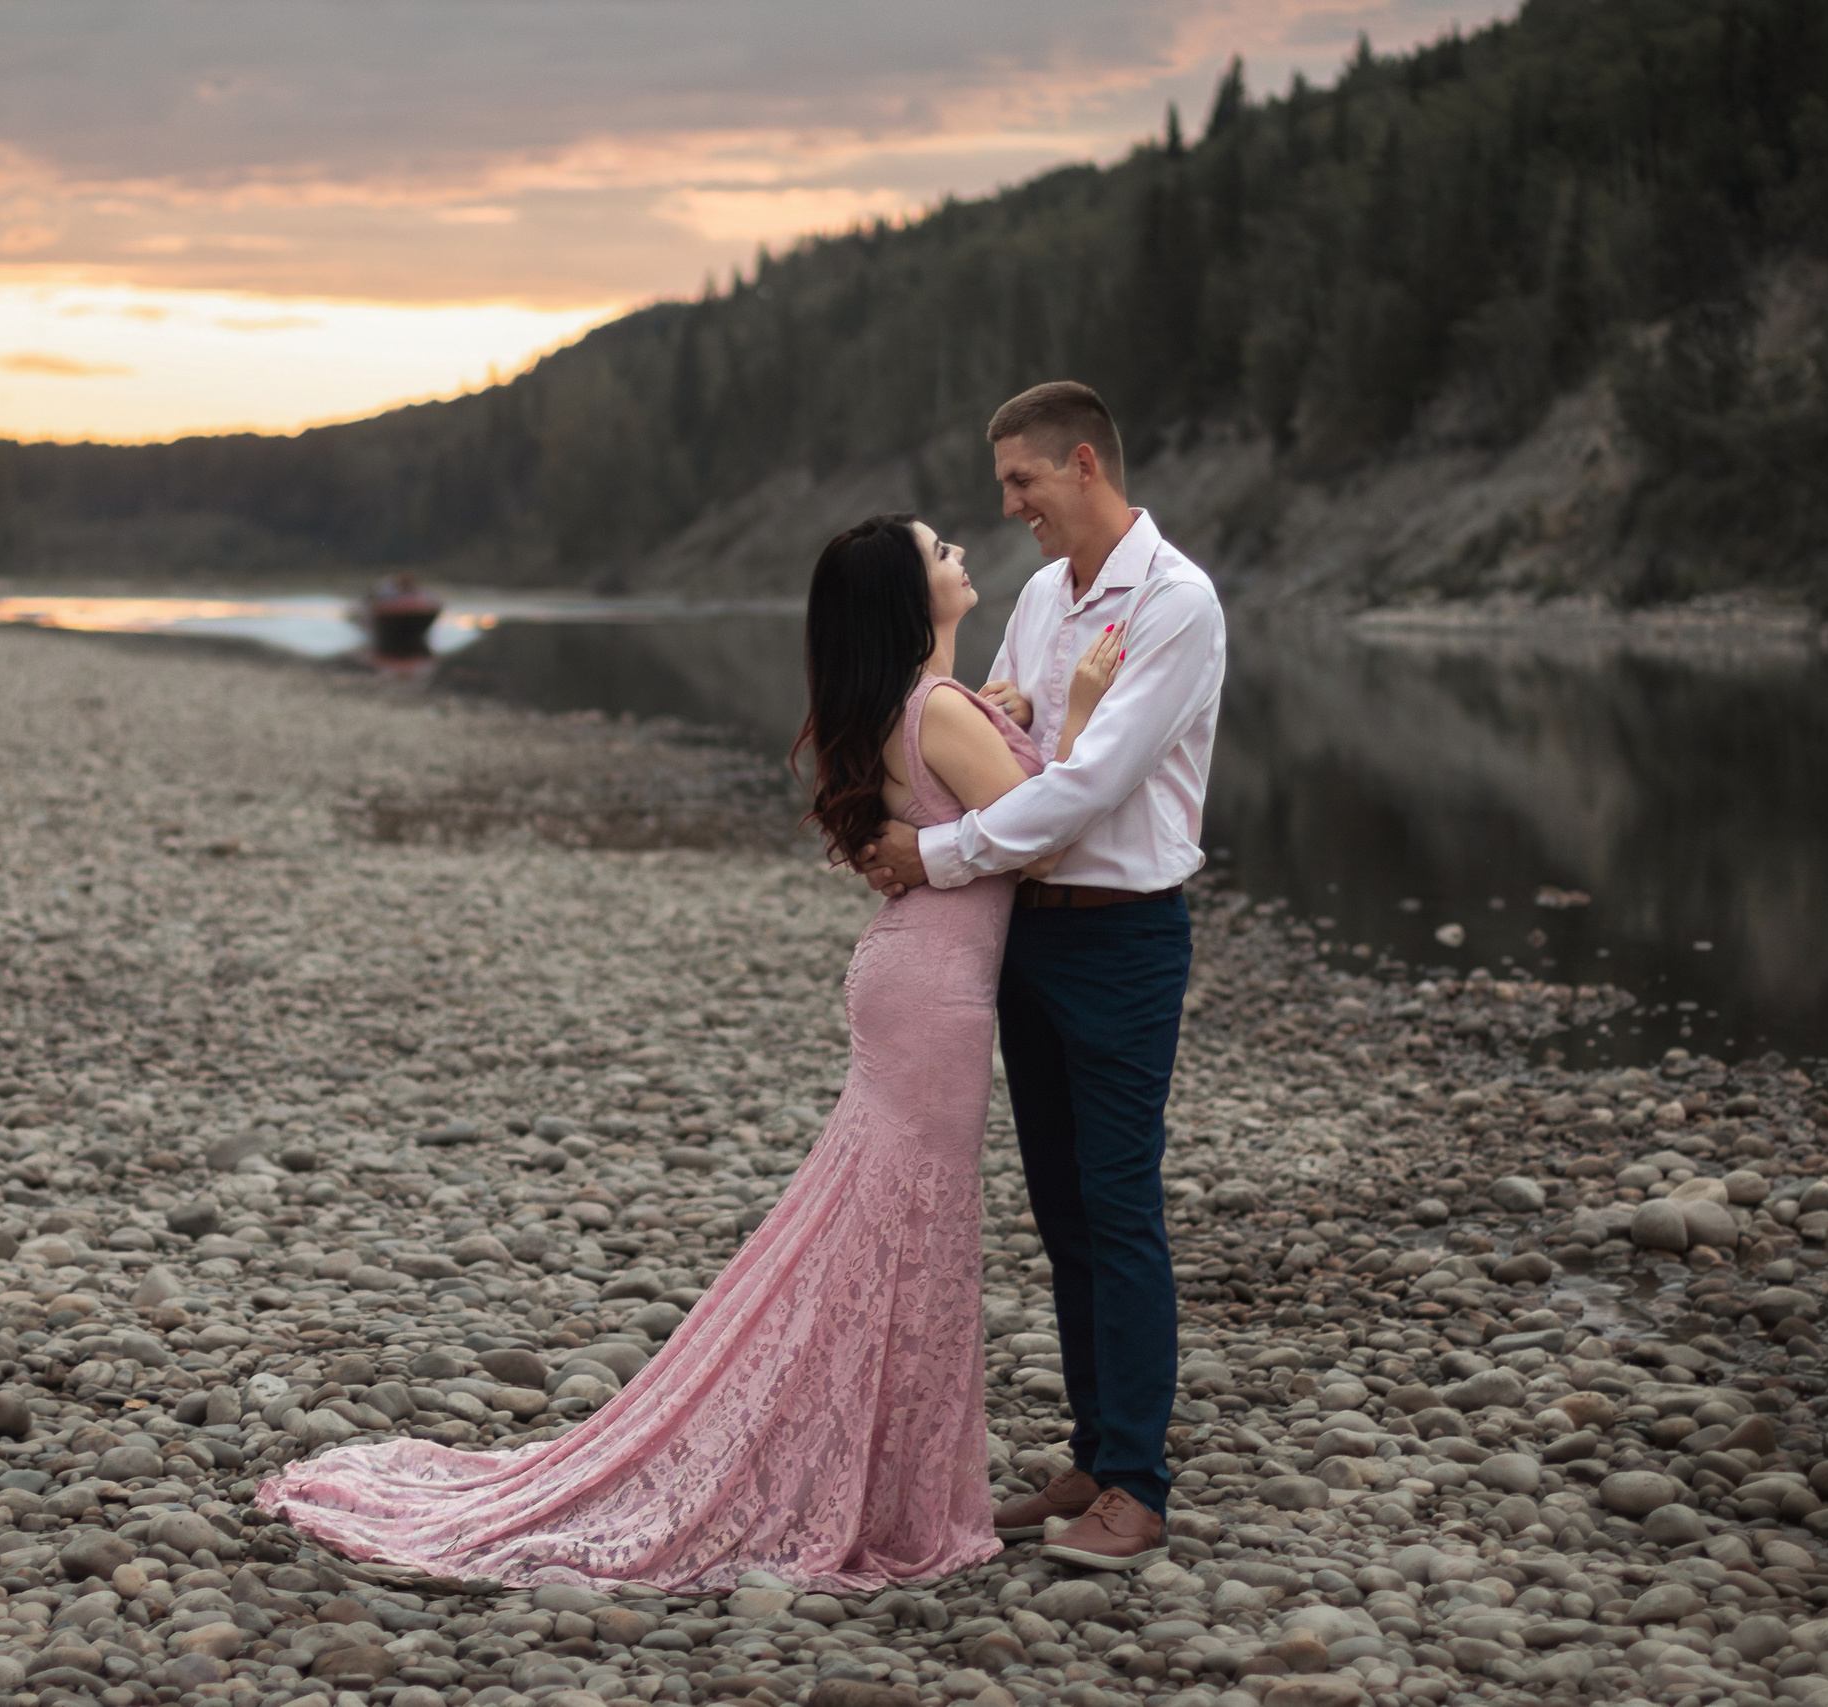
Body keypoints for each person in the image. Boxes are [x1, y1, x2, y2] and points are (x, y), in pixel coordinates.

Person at [254, 513, 1125, 1590]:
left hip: (910, 975)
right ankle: (872, 1478)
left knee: (882, 1222)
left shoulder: (906, 705)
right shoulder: (940, 708)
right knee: (907, 1228)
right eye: (938, 552)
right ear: (910, 600)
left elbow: (967, 792)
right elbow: (1044, 822)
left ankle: (866, 1457)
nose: (958, 556)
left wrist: (1015, 713)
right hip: (935, 992)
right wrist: (1077, 713)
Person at [857, 381, 1224, 1572]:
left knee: (1117, 1208)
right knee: (1063, 1212)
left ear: (1081, 463)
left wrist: (927, 857)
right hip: (1028, 937)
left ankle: (1140, 1487)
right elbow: (1011, 744)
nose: (1007, 505)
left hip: (1121, 937)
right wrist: (1010, 706)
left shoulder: (1175, 604)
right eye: (1002, 486)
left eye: (1021, 481)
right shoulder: (1037, 596)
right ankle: (1094, 1452)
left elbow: (1080, 789)